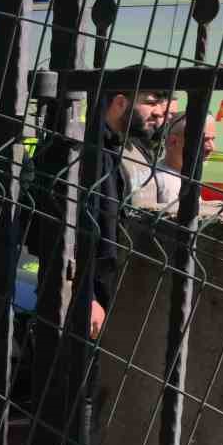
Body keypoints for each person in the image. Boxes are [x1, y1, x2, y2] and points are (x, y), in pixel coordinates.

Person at [85, 83, 170, 337]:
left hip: (132, 283)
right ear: (120, 103)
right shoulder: (88, 151)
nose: (158, 112)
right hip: (97, 293)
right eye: (151, 102)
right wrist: (86, 295)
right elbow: (72, 228)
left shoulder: (135, 146)